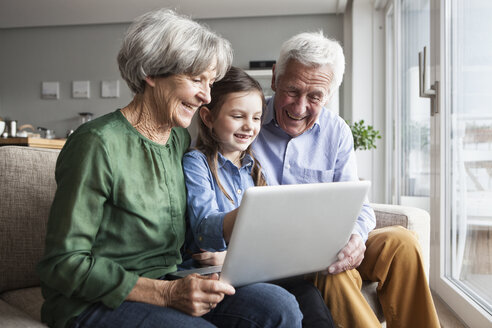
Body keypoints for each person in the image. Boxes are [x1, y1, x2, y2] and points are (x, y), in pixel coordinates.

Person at [36, 9, 303, 328]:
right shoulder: (96, 143)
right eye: (196, 80)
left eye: (210, 81)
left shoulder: (177, 138)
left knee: (280, 306)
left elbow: (180, 228)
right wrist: (165, 293)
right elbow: (63, 264)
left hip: (172, 276)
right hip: (95, 302)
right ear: (151, 72)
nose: (206, 96)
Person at [252, 31, 441, 328]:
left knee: (402, 242)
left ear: (328, 95)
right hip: (282, 257)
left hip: (332, 244)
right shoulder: (245, 121)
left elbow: (359, 206)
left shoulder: (336, 131)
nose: (300, 107)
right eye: (292, 90)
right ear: (275, 78)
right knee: (333, 271)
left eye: (315, 96)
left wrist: (356, 238)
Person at [182, 66, 335, 328]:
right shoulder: (197, 162)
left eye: (256, 118)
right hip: (211, 273)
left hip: (249, 271)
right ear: (207, 117)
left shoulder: (252, 167)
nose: (249, 126)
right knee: (285, 301)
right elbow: (204, 229)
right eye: (238, 116)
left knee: (308, 293)